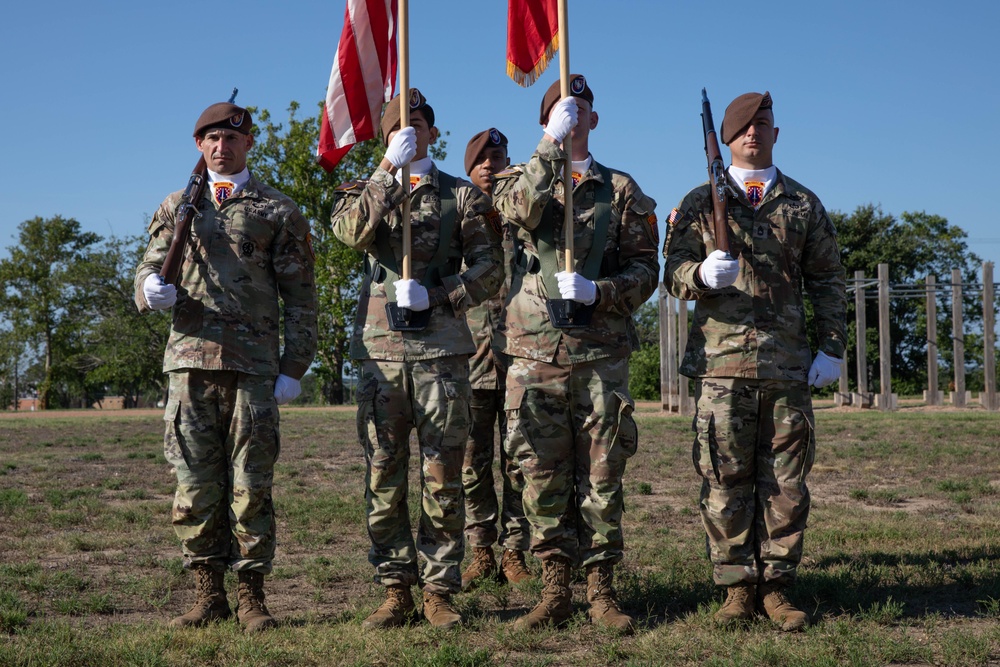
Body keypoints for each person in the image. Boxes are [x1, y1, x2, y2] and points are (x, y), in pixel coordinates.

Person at [662, 91, 847, 631]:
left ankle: (778, 588)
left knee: (787, 484)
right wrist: (698, 276)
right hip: (722, 367)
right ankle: (736, 588)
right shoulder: (699, 203)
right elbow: (670, 274)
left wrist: (832, 347)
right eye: (741, 126)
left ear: (776, 133)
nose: (752, 133)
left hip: (788, 366)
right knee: (724, 481)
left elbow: (828, 280)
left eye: (761, 123)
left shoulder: (803, 204)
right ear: (724, 137)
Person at [134, 101, 318, 632]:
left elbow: (301, 297)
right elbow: (148, 264)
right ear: (199, 146)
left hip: (254, 368)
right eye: (212, 139)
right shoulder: (176, 206)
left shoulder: (277, 210)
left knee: (251, 484)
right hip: (189, 365)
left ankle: (252, 596)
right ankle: (206, 592)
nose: (222, 146)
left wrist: (294, 367)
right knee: (193, 485)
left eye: (232, 139)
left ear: (248, 144)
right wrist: (150, 289)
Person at [331, 89, 504, 629]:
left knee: (442, 475)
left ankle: (439, 590)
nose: (410, 132)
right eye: (397, 128)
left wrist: (443, 294)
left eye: (419, 124)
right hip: (382, 356)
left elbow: (491, 268)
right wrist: (387, 169)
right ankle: (394, 587)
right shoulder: (362, 189)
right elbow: (350, 232)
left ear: (433, 132)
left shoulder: (462, 197)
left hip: (441, 355)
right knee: (383, 472)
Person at [493, 75, 659, 633]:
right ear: (548, 122)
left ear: (594, 119)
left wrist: (603, 291)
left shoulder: (622, 190)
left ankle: (601, 591)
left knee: (603, 475)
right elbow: (516, 209)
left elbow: (646, 270)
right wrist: (547, 148)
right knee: (539, 475)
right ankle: (554, 588)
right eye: (562, 110)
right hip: (534, 354)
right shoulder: (520, 177)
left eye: (580, 108)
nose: (573, 117)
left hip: (600, 355)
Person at [458, 128, 534, 590]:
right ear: (469, 169)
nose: (490, 164)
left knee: (518, 460)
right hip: (470, 355)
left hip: (522, 353)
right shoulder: (455, 216)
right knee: (471, 460)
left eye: (498, 156)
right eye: (481, 159)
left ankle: (514, 551)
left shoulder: (523, 214)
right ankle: (481, 550)